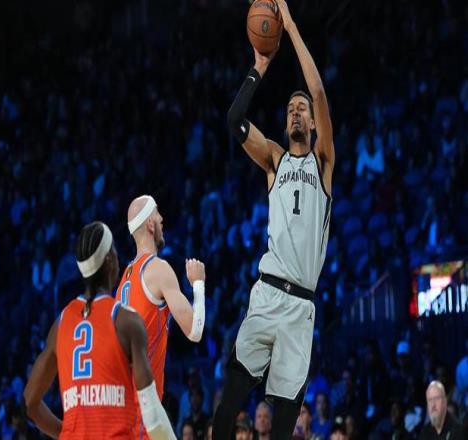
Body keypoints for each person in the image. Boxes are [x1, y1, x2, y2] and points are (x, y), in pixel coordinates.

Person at [213, 0, 334, 438]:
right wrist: (259, 67)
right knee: (228, 405)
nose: (296, 112)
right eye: (290, 110)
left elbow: (318, 92)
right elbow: (234, 119)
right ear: (285, 125)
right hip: (266, 296)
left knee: (282, 427)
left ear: (314, 124)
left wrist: (292, 27)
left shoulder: (323, 162)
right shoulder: (274, 161)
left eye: (301, 109)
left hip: (300, 307)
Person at [24, 221, 176, 439]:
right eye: (114, 249)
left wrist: (68, 433)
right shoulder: (126, 321)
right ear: (109, 260)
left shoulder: (61, 324)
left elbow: (29, 403)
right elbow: (152, 416)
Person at [116, 195, 206, 438]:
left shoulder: (125, 277)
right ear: (149, 224)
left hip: (122, 405)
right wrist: (198, 283)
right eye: (157, 213)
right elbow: (195, 330)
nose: (162, 218)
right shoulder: (158, 269)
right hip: (143, 408)